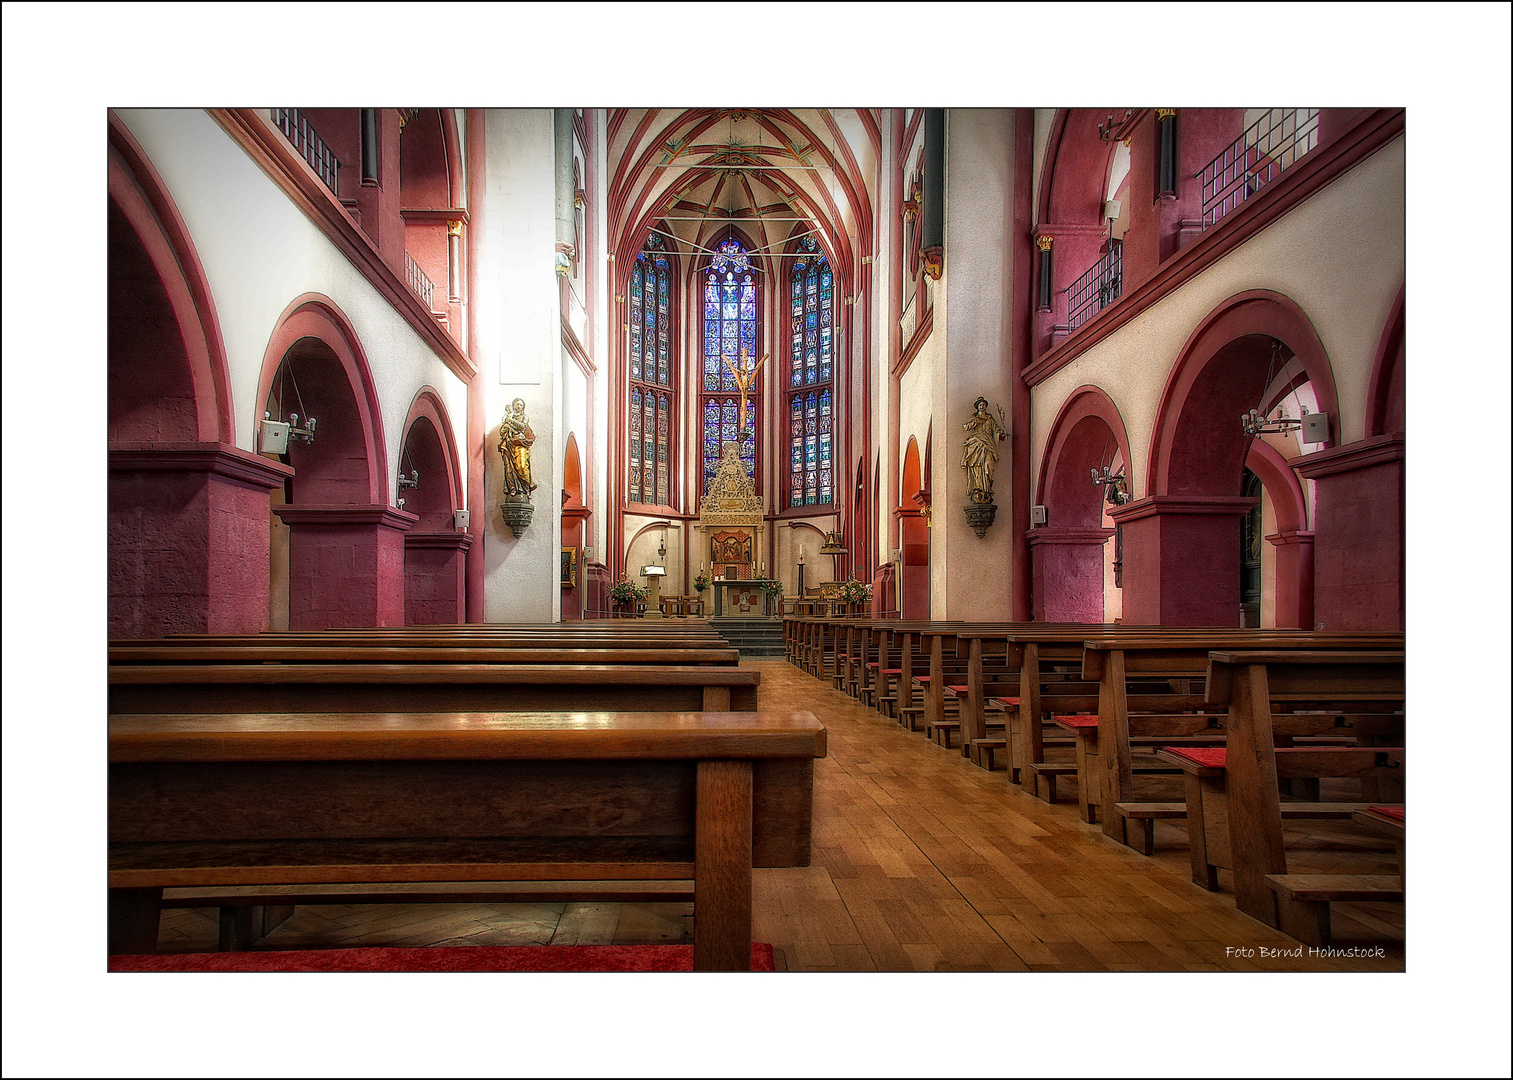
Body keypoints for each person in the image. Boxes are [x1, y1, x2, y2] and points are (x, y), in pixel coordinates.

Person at [961, 396, 1006, 503]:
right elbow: (966, 427)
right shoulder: (975, 418)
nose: (982, 406)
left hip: (988, 443)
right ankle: (978, 486)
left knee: (989, 465)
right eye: (980, 405)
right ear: (977, 407)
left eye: (984, 405)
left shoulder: (990, 419)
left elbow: (996, 429)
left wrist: (1000, 434)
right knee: (976, 465)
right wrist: (974, 423)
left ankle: (987, 486)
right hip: (977, 442)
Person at [498, 398, 537, 500]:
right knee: (509, 468)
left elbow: (522, 427)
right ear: (513, 405)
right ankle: (513, 488)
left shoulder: (524, 417)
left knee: (522, 466)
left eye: (521, 405)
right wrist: (507, 426)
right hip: (510, 445)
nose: (519, 407)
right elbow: (502, 431)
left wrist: (510, 421)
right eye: (517, 404)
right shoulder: (507, 417)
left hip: (520, 445)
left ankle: (526, 487)